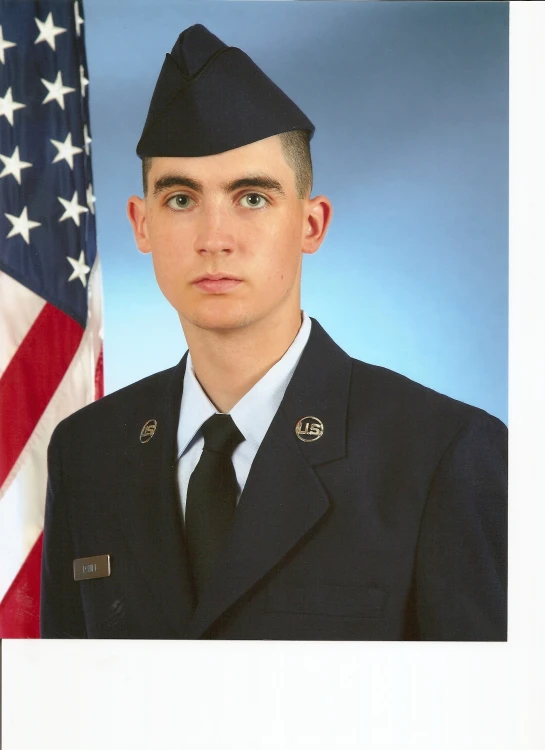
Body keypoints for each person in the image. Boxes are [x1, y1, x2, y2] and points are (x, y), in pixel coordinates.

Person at [40, 24, 507, 641]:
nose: (214, 238)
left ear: (311, 225)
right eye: (180, 199)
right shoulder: (87, 452)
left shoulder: (443, 455)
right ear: (141, 223)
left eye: (252, 198)